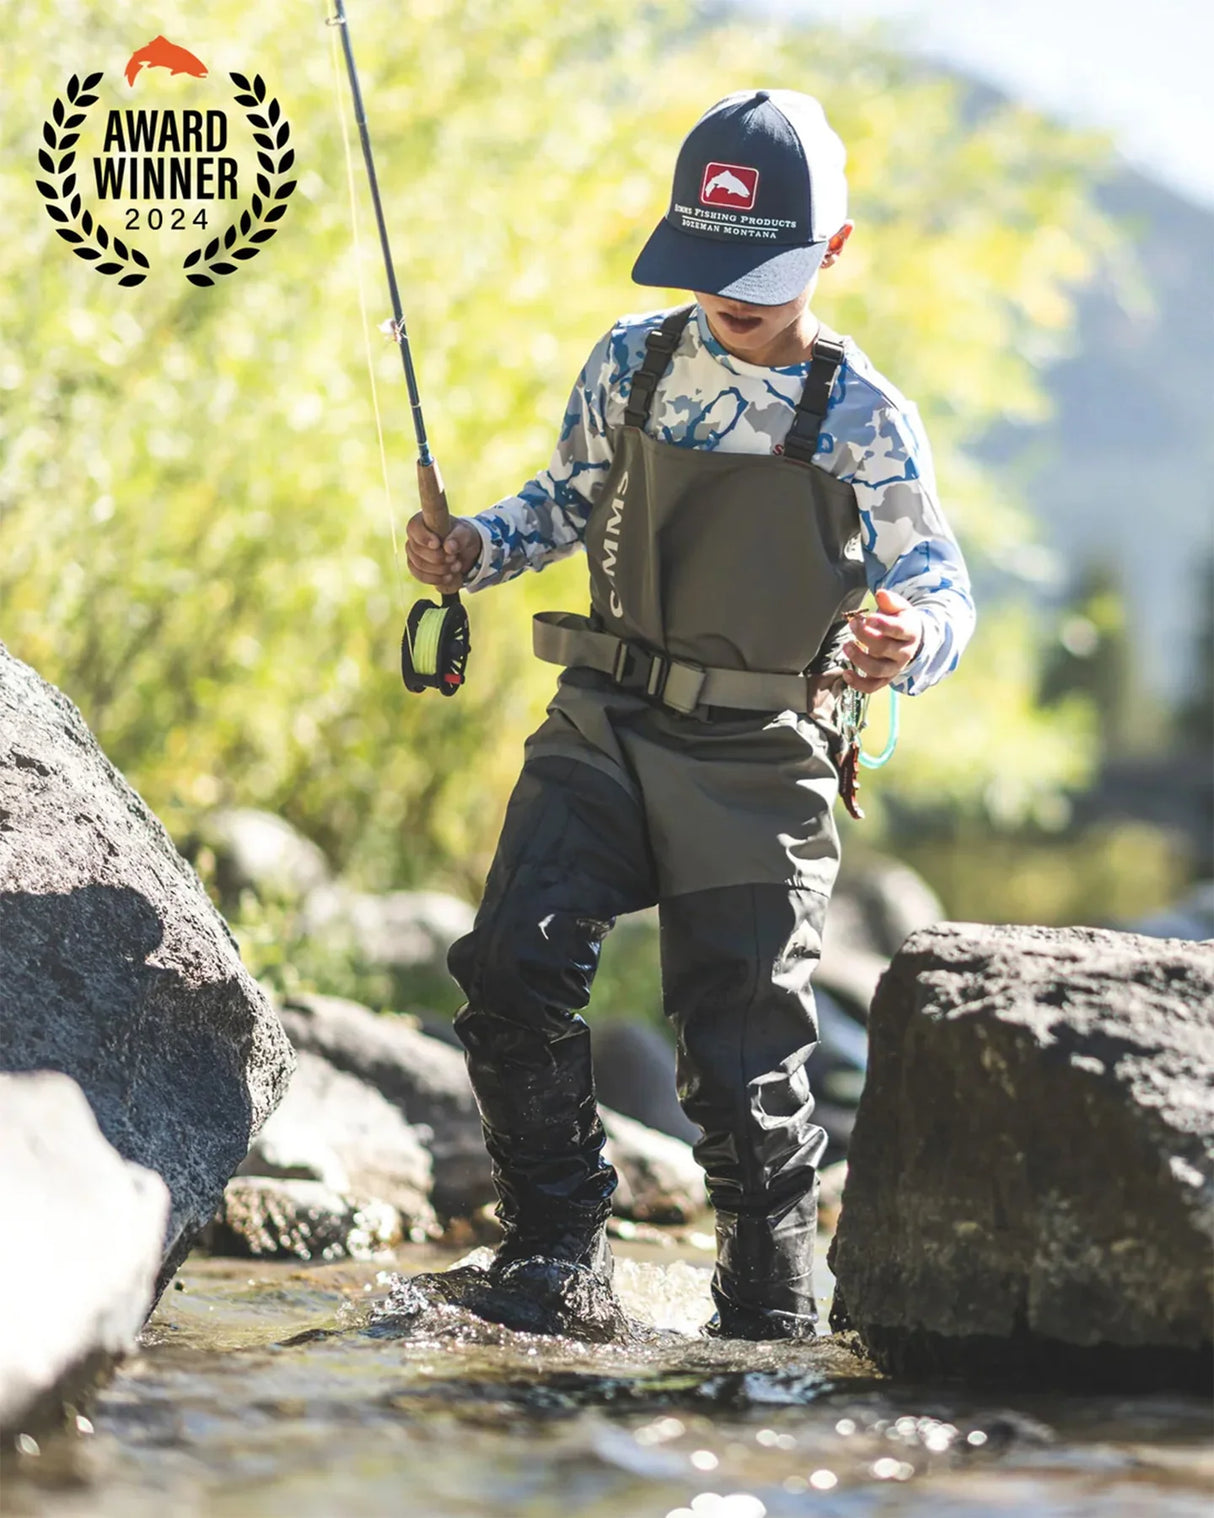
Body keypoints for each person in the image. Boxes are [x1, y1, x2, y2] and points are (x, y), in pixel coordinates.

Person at [406, 89, 975, 1340]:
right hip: (606, 714)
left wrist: (905, 639)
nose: (735, 294)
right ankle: (556, 1253)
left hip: (763, 756)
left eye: (766, 269)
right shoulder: (632, 360)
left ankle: (765, 1322)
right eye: (715, 266)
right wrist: (471, 549)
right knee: (509, 969)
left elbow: (942, 590)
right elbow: (560, 504)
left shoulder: (868, 418)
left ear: (833, 250)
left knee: (739, 1066)